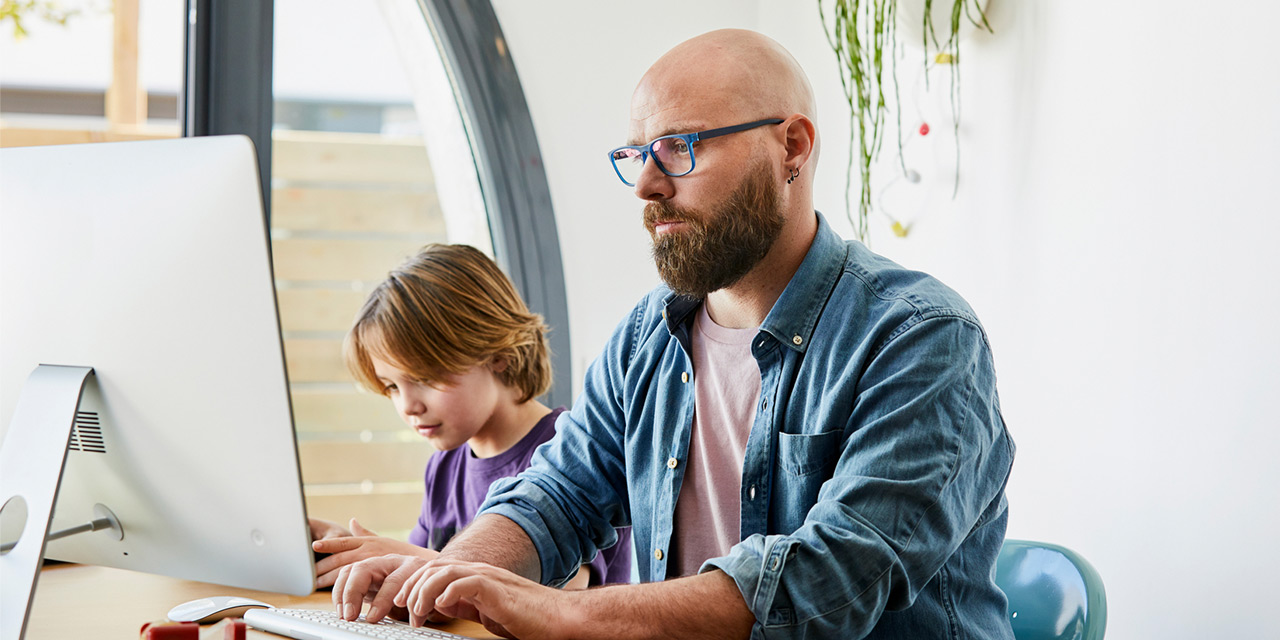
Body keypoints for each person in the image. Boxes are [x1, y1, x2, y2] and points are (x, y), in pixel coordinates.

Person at [332, 29, 1015, 640]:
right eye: (637, 155)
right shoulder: (646, 339)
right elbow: (557, 494)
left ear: (792, 146)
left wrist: (565, 614)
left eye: (680, 148)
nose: (646, 185)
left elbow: (833, 578)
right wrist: (446, 580)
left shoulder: (920, 339)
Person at [307, 243, 631, 597]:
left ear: (497, 354)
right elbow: (409, 575)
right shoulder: (444, 467)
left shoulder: (571, 453)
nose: (408, 406)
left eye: (424, 378)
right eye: (391, 387)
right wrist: (349, 555)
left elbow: (555, 589)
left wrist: (396, 555)